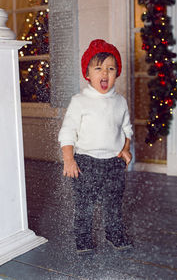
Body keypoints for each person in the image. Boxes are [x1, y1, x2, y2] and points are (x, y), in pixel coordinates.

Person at [58, 39, 133, 253]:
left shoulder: (120, 102)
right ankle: (83, 239)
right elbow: (67, 131)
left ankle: (114, 234)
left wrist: (125, 148)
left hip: (114, 162)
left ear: (116, 73)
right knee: (85, 204)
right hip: (85, 162)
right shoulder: (80, 101)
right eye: (98, 68)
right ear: (88, 74)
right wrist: (69, 159)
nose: (105, 74)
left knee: (113, 202)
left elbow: (127, 129)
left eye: (111, 68)